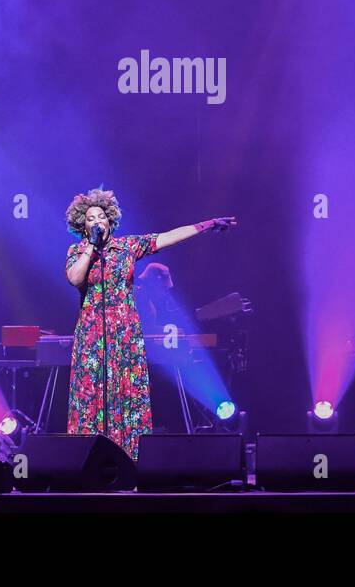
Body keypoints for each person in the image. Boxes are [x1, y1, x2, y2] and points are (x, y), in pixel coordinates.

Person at [63, 188, 235, 459]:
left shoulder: (128, 247)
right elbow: (75, 279)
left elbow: (166, 238)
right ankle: (88, 456)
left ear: (110, 220)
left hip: (125, 332)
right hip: (92, 334)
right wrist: (91, 249)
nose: (97, 221)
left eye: (101, 217)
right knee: (91, 392)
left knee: (126, 391)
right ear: (83, 225)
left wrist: (205, 226)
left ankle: (127, 456)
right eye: (90, 218)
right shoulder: (77, 251)